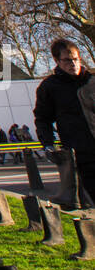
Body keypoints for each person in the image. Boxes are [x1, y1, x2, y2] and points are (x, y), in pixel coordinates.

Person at [34, 39, 95, 207]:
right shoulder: (50, 87)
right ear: (57, 61)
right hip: (81, 154)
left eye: (76, 59)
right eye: (67, 60)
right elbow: (42, 119)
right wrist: (47, 144)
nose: (73, 64)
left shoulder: (92, 82)